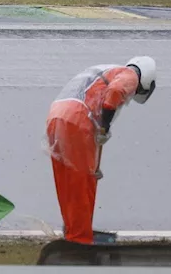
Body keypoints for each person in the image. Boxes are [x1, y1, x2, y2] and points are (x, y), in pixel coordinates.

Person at [46, 57, 157, 244]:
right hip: (78, 119)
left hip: (57, 115)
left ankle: (74, 229)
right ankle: (79, 239)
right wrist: (104, 127)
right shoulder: (130, 75)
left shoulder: (105, 71)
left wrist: (95, 160)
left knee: (67, 180)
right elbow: (115, 92)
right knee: (83, 182)